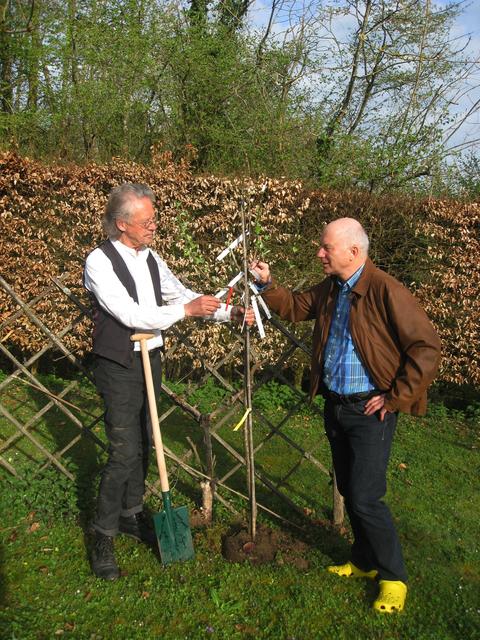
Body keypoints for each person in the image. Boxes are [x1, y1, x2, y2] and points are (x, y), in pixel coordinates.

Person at [251, 218, 441, 613]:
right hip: (336, 406)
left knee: (366, 497)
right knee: (349, 490)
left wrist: (393, 399)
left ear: (354, 252)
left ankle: (393, 577)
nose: (319, 253)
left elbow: (426, 348)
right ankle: (363, 561)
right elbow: (296, 306)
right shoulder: (332, 288)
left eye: (326, 248)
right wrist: (267, 285)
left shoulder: (385, 289)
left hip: (371, 411)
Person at [84, 183, 254, 580]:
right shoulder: (99, 261)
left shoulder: (151, 259)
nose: (154, 226)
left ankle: (132, 515)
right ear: (122, 224)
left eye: (154, 219)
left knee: (146, 441)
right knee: (123, 451)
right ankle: (102, 536)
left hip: (151, 357)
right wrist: (185, 310)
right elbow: (130, 314)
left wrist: (226, 314)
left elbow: (181, 296)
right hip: (119, 363)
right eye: (147, 221)